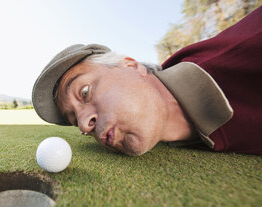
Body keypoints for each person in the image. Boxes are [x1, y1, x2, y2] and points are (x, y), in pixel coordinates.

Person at [32, 6, 262, 156]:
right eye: (74, 121)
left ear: (131, 65)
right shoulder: (168, 129)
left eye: (84, 92)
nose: (84, 125)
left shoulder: (249, 47)